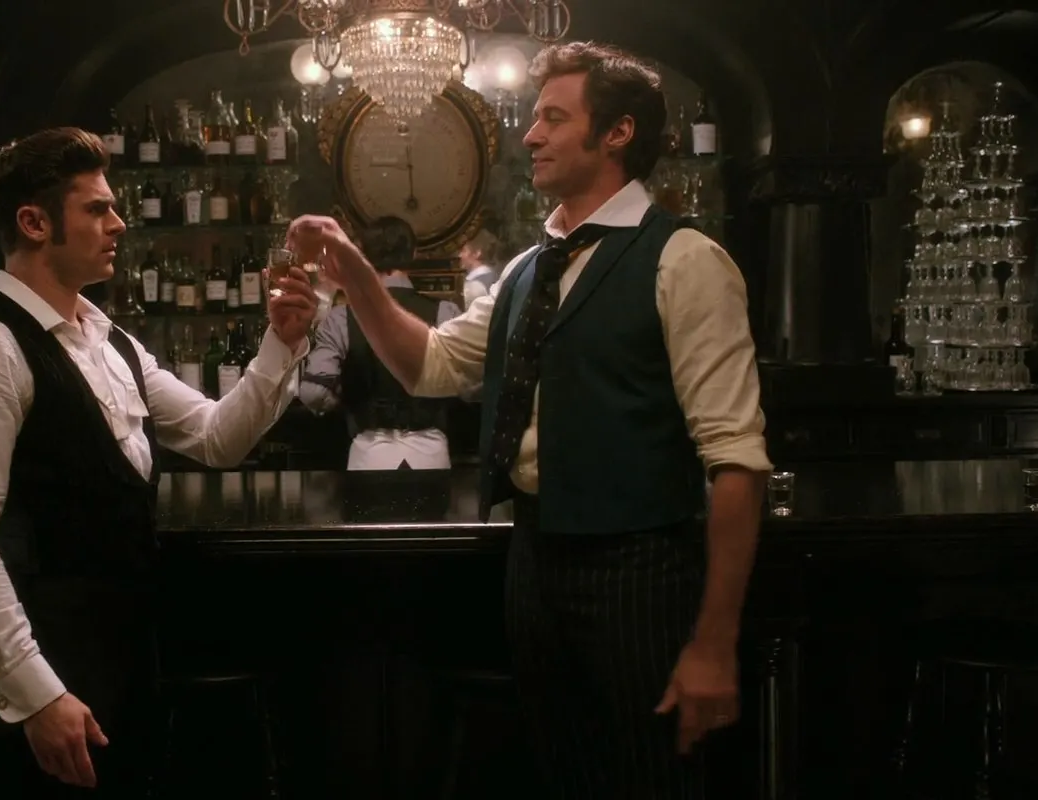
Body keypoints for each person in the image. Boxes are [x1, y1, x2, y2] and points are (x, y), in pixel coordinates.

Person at [285, 41, 770, 799]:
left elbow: (736, 460)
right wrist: (351, 269)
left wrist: (714, 643)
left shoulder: (685, 261)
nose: (530, 135)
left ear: (617, 134)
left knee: (648, 780)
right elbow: (429, 364)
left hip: (638, 568)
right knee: (562, 774)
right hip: (534, 557)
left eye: (553, 118)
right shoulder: (526, 268)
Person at [0, 127, 317, 797]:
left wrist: (281, 342)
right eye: (97, 208)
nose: (119, 223)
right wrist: (35, 694)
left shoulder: (108, 340)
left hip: (121, 656)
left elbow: (216, 437)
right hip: (45, 666)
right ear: (35, 223)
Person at [297, 215, 461, 470]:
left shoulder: (341, 318)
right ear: (413, 254)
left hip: (368, 453)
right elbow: (470, 384)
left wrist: (350, 399)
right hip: (431, 451)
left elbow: (313, 393)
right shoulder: (445, 312)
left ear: (364, 256)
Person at [458, 230, 502, 310]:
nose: (460, 255)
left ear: (477, 253)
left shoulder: (475, 285)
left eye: (464, 251)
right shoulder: (495, 277)